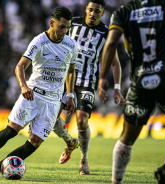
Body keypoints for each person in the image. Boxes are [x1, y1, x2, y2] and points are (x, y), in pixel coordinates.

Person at [0, 6, 78, 177]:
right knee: (11, 130)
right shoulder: (39, 42)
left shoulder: (71, 45)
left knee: (34, 142)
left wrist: (69, 95)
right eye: (61, 26)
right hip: (33, 94)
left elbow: (70, 71)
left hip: (54, 101)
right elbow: (20, 66)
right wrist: (24, 86)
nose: (64, 31)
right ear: (51, 23)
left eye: (67, 27)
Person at [98, 0, 165, 183]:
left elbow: (110, 44)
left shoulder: (124, 12)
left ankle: (116, 181)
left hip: (140, 81)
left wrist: (102, 77)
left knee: (127, 138)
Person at [52, 0, 125, 175]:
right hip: (64, 80)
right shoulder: (72, 24)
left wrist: (116, 88)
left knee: (81, 120)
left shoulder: (107, 33)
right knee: (51, 118)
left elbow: (115, 64)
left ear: (103, 13)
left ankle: (84, 160)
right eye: (90, 10)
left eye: (97, 11)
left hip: (87, 82)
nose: (93, 14)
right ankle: (70, 142)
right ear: (86, 9)